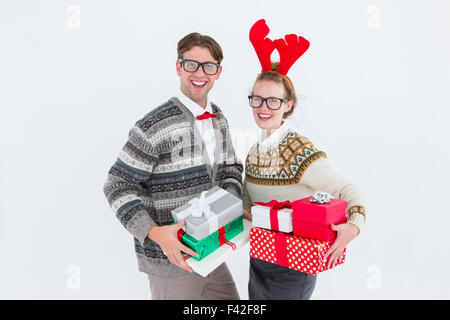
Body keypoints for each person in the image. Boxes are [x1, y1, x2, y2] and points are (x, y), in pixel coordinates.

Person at [103, 32, 243, 300]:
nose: (199, 73)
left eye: (208, 66)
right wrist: (154, 233)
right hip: (172, 259)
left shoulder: (218, 117)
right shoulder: (154, 125)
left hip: (211, 249)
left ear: (218, 72)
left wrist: (231, 202)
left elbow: (231, 167)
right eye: (191, 64)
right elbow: (117, 184)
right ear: (178, 67)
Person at [243, 19, 367, 300]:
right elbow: (249, 201)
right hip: (260, 260)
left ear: (288, 105)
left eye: (273, 101)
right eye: (258, 99)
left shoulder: (297, 149)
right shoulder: (253, 151)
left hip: (292, 269)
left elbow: (348, 190)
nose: (264, 108)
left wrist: (355, 225)